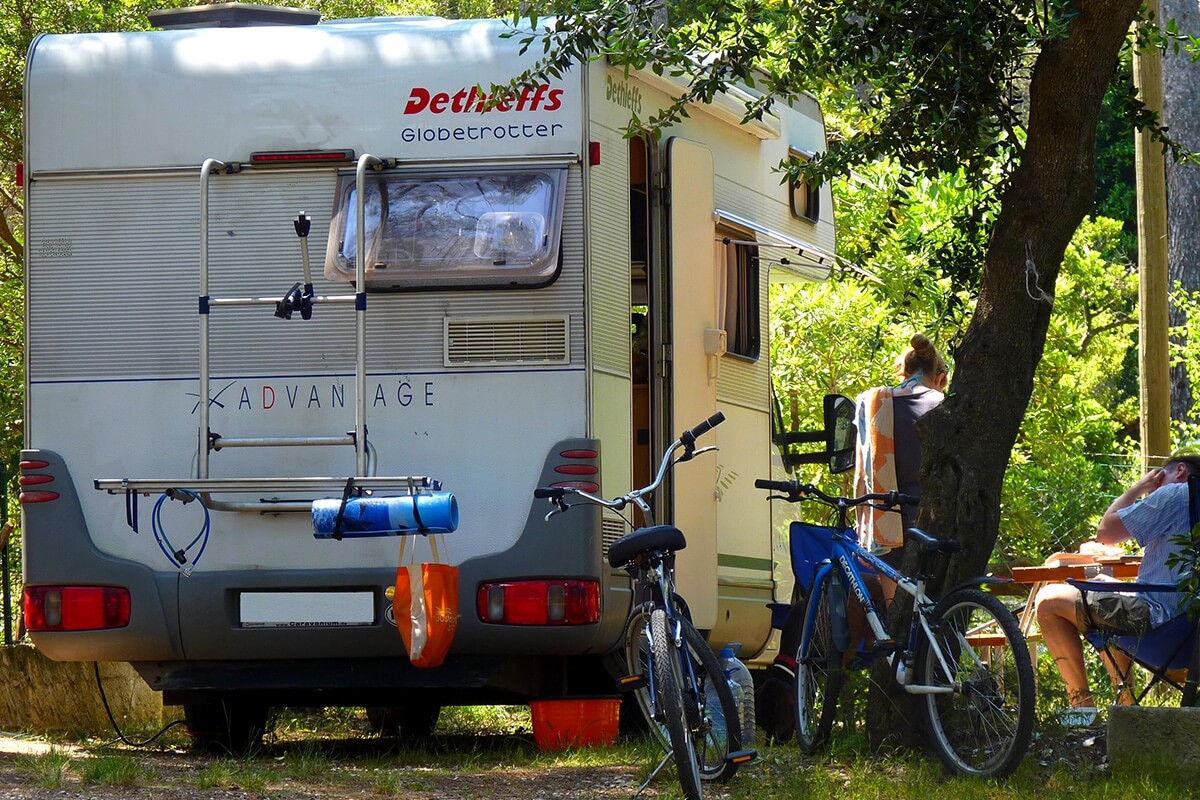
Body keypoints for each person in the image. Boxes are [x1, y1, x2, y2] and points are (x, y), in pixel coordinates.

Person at [1034, 449, 1200, 718]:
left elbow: (1107, 533)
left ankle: (1081, 713)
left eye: (1159, 483)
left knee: (1049, 601)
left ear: (1179, 471)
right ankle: (1125, 707)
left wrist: (1140, 486)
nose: (1153, 493)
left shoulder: (1178, 493)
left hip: (1163, 629)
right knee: (1105, 590)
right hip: (1192, 634)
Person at [853, 333, 949, 561]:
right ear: (941, 379)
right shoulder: (945, 405)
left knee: (893, 598)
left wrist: (863, 529)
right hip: (936, 523)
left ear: (903, 373)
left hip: (887, 526)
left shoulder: (872, 403)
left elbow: (860, 477)